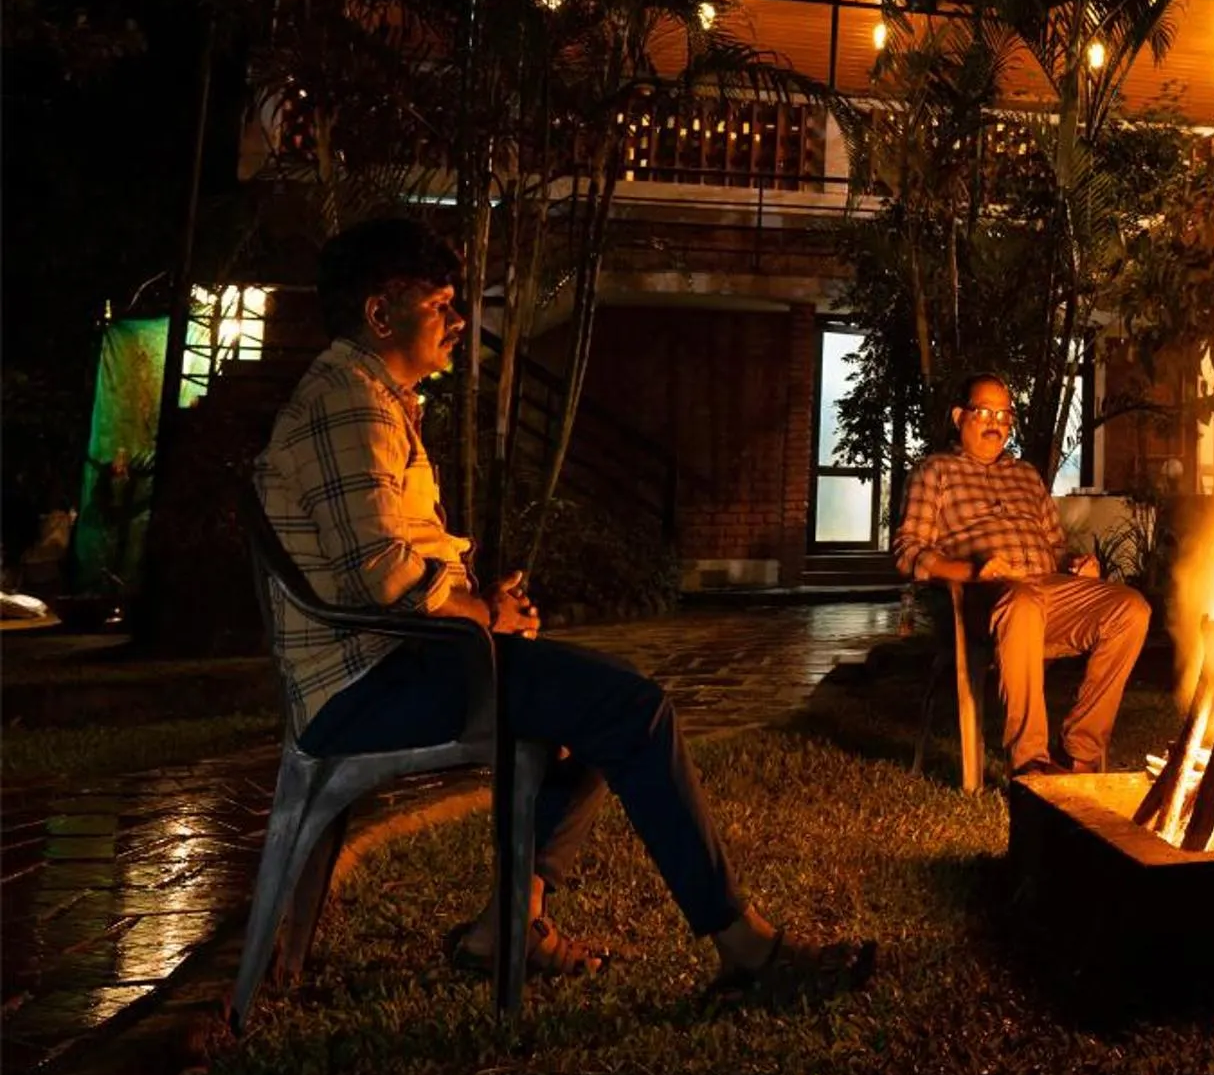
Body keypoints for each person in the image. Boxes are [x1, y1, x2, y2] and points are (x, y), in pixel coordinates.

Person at [258, 218, 874, 1002]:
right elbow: (386, 582)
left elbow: (397, 566)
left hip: (404, 664)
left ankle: (506, 927)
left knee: (594, 710)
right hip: (369, 688)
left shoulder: (368, 397)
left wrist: (483, 606)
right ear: (382, 315)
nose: (456, 322)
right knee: (634, 709)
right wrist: (483, 613)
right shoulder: (351, 404)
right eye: (443, 304)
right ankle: (747, 948)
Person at [894, 373, 1150, 778]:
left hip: (1046, 588)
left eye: (1004, 414)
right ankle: (1031, 763)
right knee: (1024, 602)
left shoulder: (1027, 476)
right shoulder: (935, 471)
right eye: (984, 412)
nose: (995, 422)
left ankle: (1079, 756)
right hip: (982, 595)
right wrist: (972, 570)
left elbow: (1055, 546)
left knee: (1130, 609)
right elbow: (908, 552)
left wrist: (1074, 564)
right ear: (960, 416)